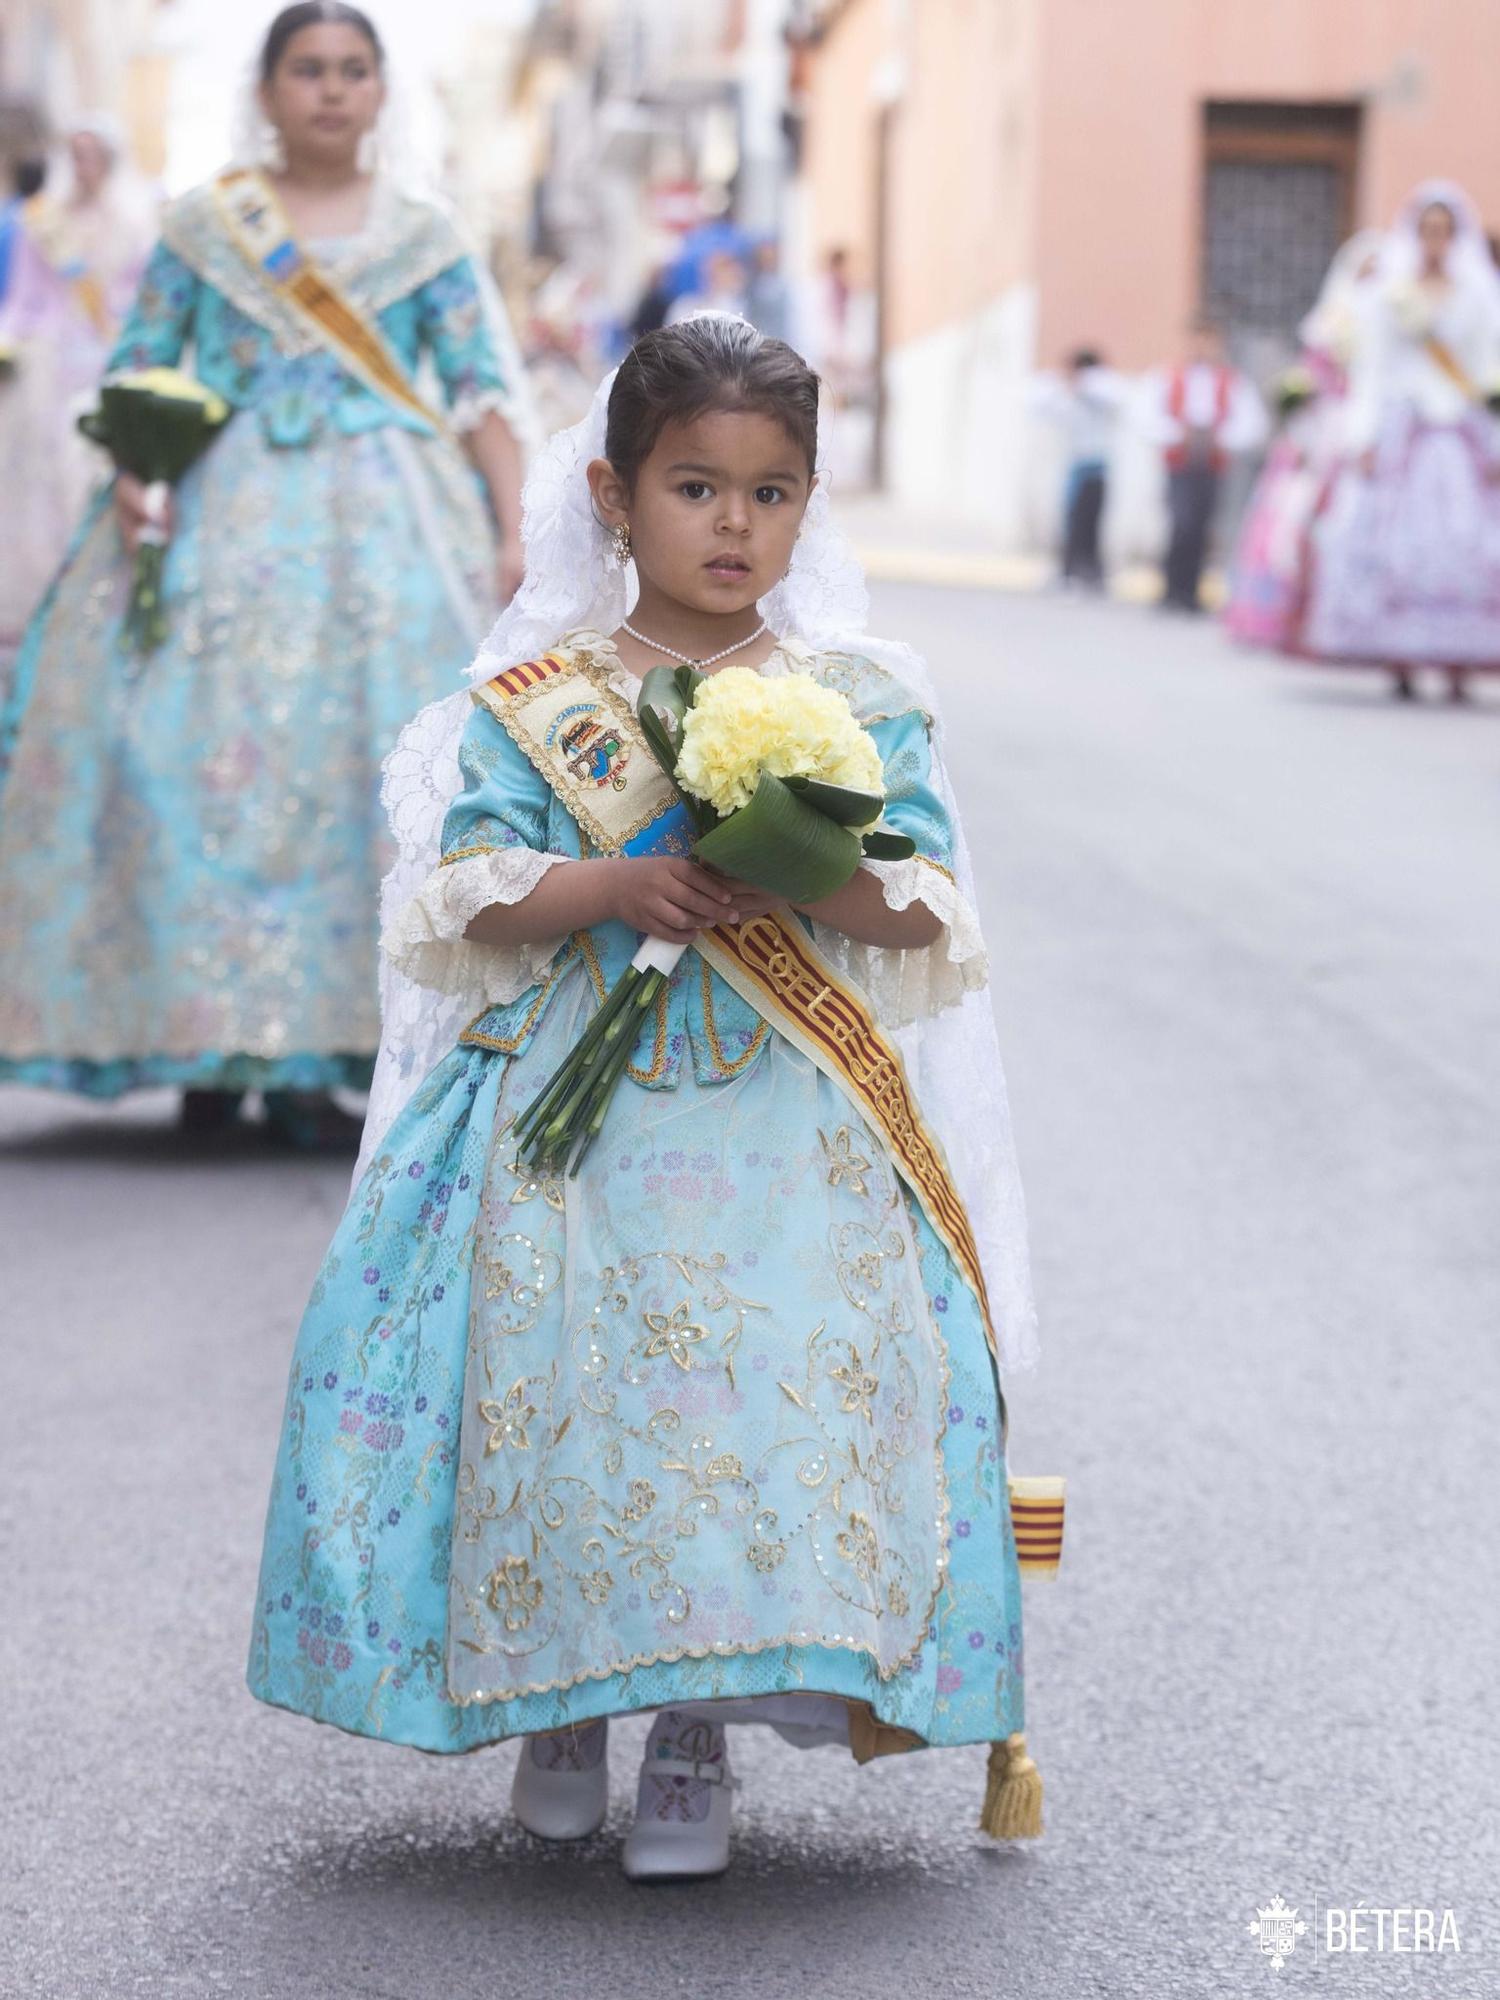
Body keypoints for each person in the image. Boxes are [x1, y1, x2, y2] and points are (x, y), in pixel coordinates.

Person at [247, 315, 1046, 1880]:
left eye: (772, 491)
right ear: (615, 497)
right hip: (570, 1118)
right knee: (571, 1391)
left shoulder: (859, 699)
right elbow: (464, 890)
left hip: (785, 1129)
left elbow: (927, 906)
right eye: (695, 487)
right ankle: (562, 1707)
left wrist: (813, 874)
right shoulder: (539, 696)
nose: (733, 524)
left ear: (810, 506)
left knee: (737, 1410)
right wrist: (616, 880)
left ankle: (693, 1731)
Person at [0, 2, 536, 1145]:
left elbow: (480, 388)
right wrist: (139, 472)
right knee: (200, 771)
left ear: (381, 91)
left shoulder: (426, 236)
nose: (332, 90)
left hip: (389, 543)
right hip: (221, 529)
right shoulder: (206, 226)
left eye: (353, 69)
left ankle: (318, 1053)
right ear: (271, 87)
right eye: (309, 69)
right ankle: (207, 1038)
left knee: (371, 782)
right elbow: (141, 366)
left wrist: (510, 529)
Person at [1300, 180, 1500, 700]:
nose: (1435, 241)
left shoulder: (1478, 292)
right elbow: (1373, 370)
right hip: (1404, 431)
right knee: (1397, 546)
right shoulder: (1389, 293)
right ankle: (1400, 657)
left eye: (1444, 232)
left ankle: (1461, 661)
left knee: (1462, 542)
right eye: (1426, 230)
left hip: (1457, 433)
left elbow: (1487, 367)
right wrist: (1364, 436)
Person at [0, 119, 154, 647]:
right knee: (39, 479)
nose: (83, 164)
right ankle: (37, 587)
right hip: (48, 366)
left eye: (92, 154)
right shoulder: (41, 222)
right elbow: (23, 298)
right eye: (76, 154)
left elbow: (139, 301)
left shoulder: (133, 225)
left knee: (91, 476)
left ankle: (93, 594)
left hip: (104, 363)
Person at [1225, 231, 1384, 649]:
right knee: (1293, 516)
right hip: (1323, 432)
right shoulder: (1330, 323)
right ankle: (1280, 616)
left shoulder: (1389, 322)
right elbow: (1311, 375)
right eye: (1364, 271)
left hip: (1366, 431)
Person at [1142, 318, 1268, 612]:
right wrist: (1177, 433)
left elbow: (1251, 425)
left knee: (1202, 527)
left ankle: (1191, 592)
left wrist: (1219, 438)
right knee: (1181, 523)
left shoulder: (1233, 382)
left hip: (1212, 463)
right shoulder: (1166, 376)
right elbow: (1146, 418)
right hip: (1180, 461)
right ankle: (1172, 588)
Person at [1027, 347, 1126, 589]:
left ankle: (1090, 572)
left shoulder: (1101, 389)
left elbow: (1112, 395)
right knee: (1073, 522)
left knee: (1089, 523)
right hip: (1077, 467)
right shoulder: (1069, 395)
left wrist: (1081, 382)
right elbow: (1040, 404)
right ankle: (1070, 570)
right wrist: (1067, 384)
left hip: (1096, 468)